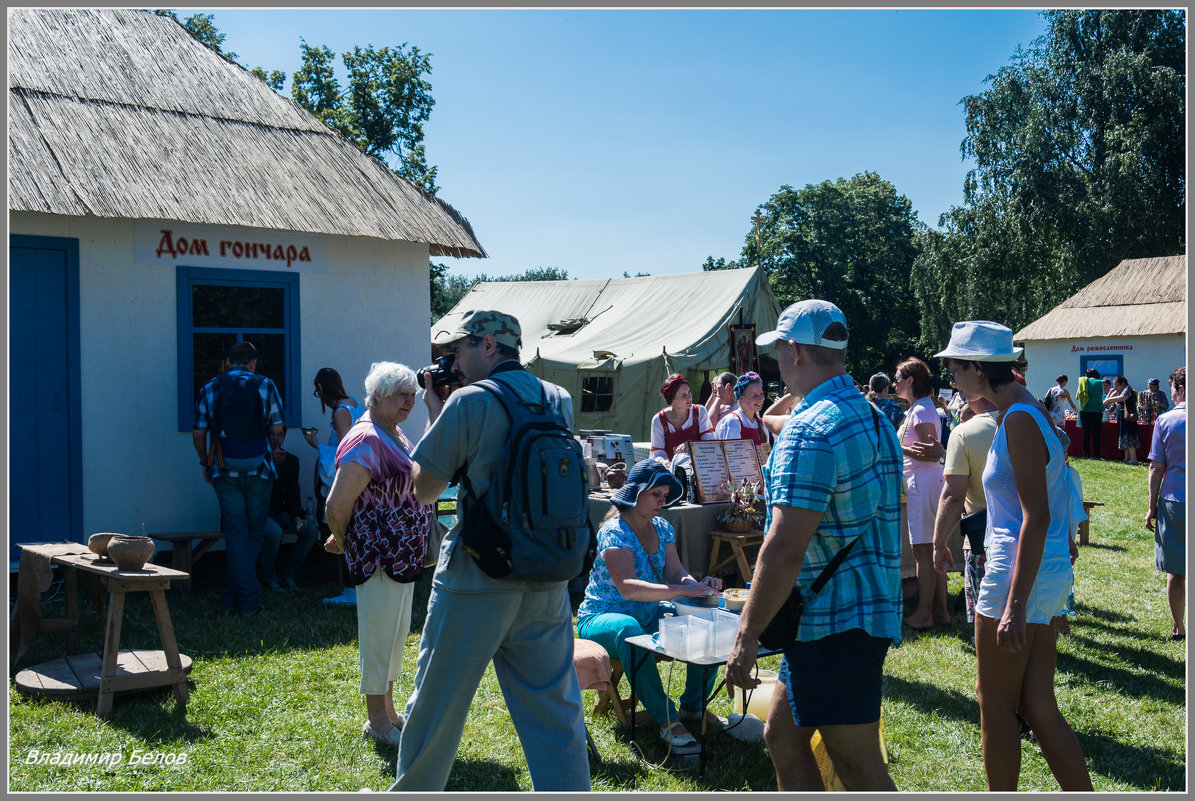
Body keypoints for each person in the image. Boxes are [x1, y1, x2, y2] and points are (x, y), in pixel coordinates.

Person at [392, 310, 590, 791]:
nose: (453, 363)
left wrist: (435, 411)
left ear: (487, 346)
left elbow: (424, 488)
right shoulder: (557, 398)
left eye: (458, 350)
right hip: (548, 573)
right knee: (555, 711)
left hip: (479, 578)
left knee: (436, 706)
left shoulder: (468, 401)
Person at [725, 299, 902, 791]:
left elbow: (783, 548)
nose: (774, 362)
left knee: (858, 766)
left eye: (778, 350)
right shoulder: (873, 416)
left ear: (795, 352)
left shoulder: (808, 430)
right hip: (856, 611)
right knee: (782, 736)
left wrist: (746, 636)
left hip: (833, 622)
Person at [934, 320, 1092, 791]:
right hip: (1038, 571)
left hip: (1014, 573)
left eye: (955, 367)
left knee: (995, 702)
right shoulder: (1025, 414)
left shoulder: (1020, 420)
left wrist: (1017, 605)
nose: (951, 376)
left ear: (979, 370)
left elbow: (1035, 518)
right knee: (1038, 704)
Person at [576, 459, 723, 755]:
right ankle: (667, 720)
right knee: (629, 631)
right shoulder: (614, 531)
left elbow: (675, 573)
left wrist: (697, 584)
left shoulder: (663, 527)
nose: (662, 501)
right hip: (601, 617)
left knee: (705, 624)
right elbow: (628, 587)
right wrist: (682, 589)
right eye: (656, 494)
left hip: (648, 613)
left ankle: (694, 708)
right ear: (636, 493)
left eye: (665, 495)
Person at [323, 361, 434, 747]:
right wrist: (346, 539)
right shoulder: (365, 438)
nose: (410, 401)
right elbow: (336, 506)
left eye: (412, 394)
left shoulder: (393, 432)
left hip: (401, 556)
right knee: (378, 638)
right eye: (402, 394)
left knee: (392, 635)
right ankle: (377, 722)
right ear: (378, 396)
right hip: (380, 556)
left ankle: (387, 711)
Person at [191, 341, 286, 618]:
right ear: (253, 362)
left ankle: (233, 598)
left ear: (228, 361)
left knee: (234, 534)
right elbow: (278, 426)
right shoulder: (265, 385)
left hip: (223, 468)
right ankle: (248, 603)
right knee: (255, 532)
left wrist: (204, 462)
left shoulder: (211, 386)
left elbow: (198, 434)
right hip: (260, 468)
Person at [931, 395, 999, 628]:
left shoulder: (964, 433)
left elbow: (953, 495)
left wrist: (939, 543)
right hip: (1030, 536)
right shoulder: (1032, 420)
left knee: (985, 615)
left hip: (983, 539)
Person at [893, 356, 948, 630]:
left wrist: (901, 449)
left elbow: (931, 451)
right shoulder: (919, 409)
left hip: (923, 484)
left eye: (898, 378)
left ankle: (925, 613)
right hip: (924, 484)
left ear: (911, 380)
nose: (894, 383)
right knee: (931, 550)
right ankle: (940, 612)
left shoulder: (921, 411)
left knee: (923, 551)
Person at [303, 367, 366, 605]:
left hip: (350, 480)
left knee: (348, 531)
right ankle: (358, 586)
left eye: (316, 391)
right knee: (357, 531)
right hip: (363, 477)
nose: (317, 397)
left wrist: (316, 444)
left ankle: (352, 590)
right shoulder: (355, 403)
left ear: (321, 388)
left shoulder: (341, 411)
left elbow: (345, 451)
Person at [1145, 367, 1185, 641]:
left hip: (1175, 501)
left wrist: (1151, 505)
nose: (1170, 395)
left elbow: (1156, 467)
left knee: (1176, 570)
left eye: (1172, 389)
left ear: (1180, 389)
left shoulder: (1166, 421)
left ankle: (1179, 627)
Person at [257, 426, 315, 592]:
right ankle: (268, 577)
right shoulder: (258, 459)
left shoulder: (290, 460)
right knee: (274, 533)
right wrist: (268, 462)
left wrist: (297, 516)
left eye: (280, 435)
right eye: (272, 435)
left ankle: (288, 574)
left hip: (281, 510)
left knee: (310, 529)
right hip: (259, 511)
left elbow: (292, 492)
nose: (276, 439)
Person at [649, 373, 716, 462]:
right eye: (683, 395)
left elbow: (711, 444)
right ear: (672, 400)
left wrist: (692, 445)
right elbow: (657, 453)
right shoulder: (659, 420)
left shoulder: (699, 412)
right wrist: (663, 462)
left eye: (689, 392)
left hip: (700, 467)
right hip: (671, 470)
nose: (689, 397)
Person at [714, 371, 772, 444]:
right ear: (741, 398)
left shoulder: (761, 423)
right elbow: (732, 454)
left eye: (761, 394)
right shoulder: (732, 421)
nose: (761, 399)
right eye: (755, 396)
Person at [1103, 376, 1139, 464]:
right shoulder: (1121, 391)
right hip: (1122, 417)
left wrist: (1108, 400)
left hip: (1128, 418)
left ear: (1123, 383)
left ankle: (1133, 459)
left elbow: (1123, 398)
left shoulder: (1128, 389)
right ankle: (1127, 457)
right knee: (1124, 436)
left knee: (1129, 436)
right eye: (1114, 386)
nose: (1116, 389)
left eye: (1117, 386)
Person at [1075, 368, 1105, 459]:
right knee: (1096, 433)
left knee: (1086, 433)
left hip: (1085, 410)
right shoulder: (1100, 382)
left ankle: (1087, 454)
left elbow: (1077, 397)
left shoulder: (1083, 382)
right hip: (1097, 411)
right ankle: (1097, 454)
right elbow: (1101, 395)